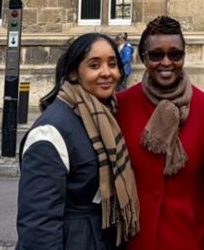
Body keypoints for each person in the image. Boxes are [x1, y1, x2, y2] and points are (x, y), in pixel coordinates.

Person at [17, 33, 139, 250]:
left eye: (112, 64)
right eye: (94, 65)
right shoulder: (50, 131)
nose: (106, 72)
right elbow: (38, 225)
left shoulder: (105, 117)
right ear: (74, 72)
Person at [116, 16, 204, 250]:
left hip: (190, 237)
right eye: (156, 55)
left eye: (175, 54)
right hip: (135, 238)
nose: (166, 62)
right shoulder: (122, 105)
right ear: (143, 58)